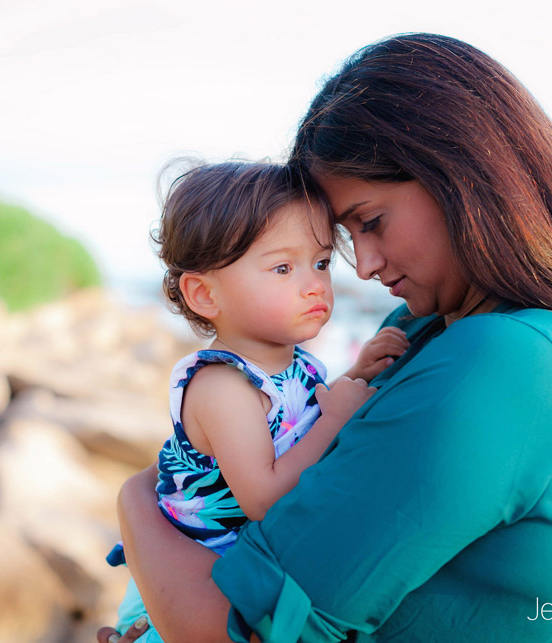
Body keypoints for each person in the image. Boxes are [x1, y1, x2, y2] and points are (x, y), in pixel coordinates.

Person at [99, 33, 552, 643]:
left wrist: (136, 502)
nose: (366, 266)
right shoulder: (421, 330)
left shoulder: (507, 361)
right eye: (348, 240)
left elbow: (230, 632)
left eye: (370, 224)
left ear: (463, 177)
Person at [106, 161, 410, 642]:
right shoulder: (222, 386)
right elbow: (264, 497)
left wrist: (356, 374)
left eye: (322, 262)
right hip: (176, 597)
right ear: (204, 294)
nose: (315, 284)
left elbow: (299, 423)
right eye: (283, 268)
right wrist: (337, 418)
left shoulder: (292, 365)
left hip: (229, 576)